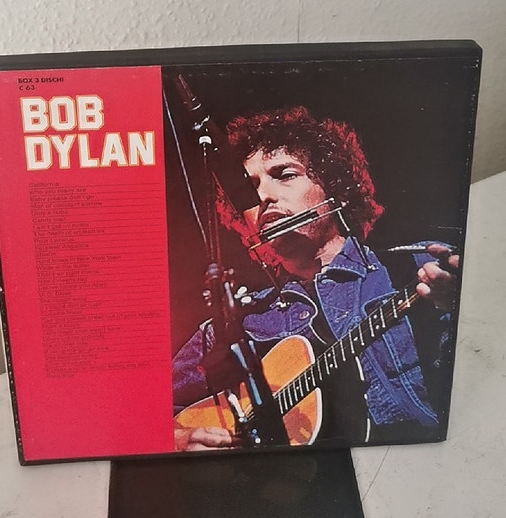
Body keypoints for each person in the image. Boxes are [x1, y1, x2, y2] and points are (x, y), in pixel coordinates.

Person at [172, 106, 459, 452]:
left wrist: (462, 304)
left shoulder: (418, 267)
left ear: (335, 188)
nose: (263, 197)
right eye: (249, 190)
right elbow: (133, 409)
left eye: (285, 174)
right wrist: (178, 439)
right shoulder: (233, 325)